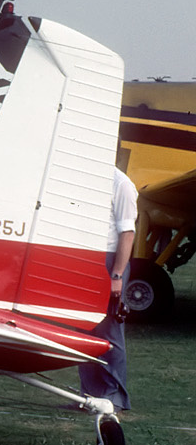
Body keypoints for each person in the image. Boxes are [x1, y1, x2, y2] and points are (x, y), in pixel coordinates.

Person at [80, 166, 137, 415]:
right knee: (85, 327)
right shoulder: (84, 177)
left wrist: (117, 275)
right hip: (84, 257)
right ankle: (91, 395)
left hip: (109, 260)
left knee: (110, 331)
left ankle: (115, 395)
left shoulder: (121, 184)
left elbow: (127, 232)